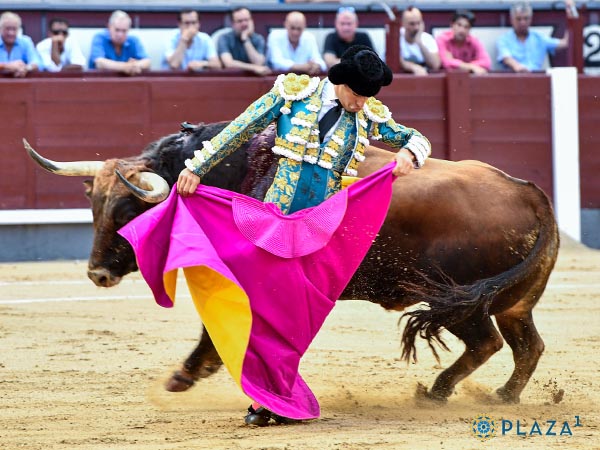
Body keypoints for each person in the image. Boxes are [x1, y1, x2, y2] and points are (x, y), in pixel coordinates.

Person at [174, 45, 431, 426]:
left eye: (368, 97)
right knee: (264, 310)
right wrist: (197, 166)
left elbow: (415, 137)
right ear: (339, 82)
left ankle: (272, 395)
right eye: (357, 95)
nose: (361, 103)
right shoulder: (294, 93)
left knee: (296, 319)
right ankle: (266, 398)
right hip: (273, 223)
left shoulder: (368, 116)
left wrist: (411, 152)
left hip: (317, 231)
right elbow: (242, 127)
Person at [496, 1, 574, 72]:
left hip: (537, 79)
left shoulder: (539, 38)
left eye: (526, 18)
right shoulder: (504, 40)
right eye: (518, 19)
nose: (523, 22)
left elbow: (565, 42)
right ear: (512, 20)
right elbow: (506, 58)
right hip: (514, 80)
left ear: (531, 19)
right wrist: (518, 67)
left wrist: (571, 12)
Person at [89, 10, 150, 75]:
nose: (120, 35)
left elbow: (147, 62)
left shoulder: (133, 40)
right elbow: (99, 63)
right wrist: (125, 67)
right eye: (117, 30)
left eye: (124, 31)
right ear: (109, 27)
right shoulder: (99, 37)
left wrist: (135, 66)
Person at [267, 11, 326, 75]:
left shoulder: (309, 38)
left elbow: (320, 62)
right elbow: (276, 63)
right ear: (285, 25)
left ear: (304, 27)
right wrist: (301, 67)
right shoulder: (275, 36)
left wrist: (317, 66)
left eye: (299, 29)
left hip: (304, 81)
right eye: (292, 28)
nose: (295, 32)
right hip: (279, 81)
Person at [217, 7, 270, 76]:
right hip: (231, 79)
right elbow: (228, 63)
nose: (244, 24)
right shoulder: (224, 38)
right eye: (240, 21)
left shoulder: (258, 39)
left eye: (247, 20)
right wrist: (253, 68)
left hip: (254, 81)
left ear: (252, 21)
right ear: (233, 24)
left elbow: (258, 63)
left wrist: (245, 40)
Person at [436, 10, 491, 75]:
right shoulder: (442, 40)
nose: (462, 30)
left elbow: (487, 63)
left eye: (466, 27)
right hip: (446, 79)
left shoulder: (474, 41)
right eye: (459, 25)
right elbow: (445, 63)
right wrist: (471, 67)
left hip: (469, 80)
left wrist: (458, 64)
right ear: (452, 25)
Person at [399, 6, 440, 75]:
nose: (416, 27)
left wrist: (419, 42)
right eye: (412, 24)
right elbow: (394, 61)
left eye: (418, 23)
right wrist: (413, 67)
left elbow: (435, 65)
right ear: (403, 24)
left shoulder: (428, 39)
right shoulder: (396, 37)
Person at [0, 11, 41, 77]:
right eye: (7, 29)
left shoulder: (25, 41)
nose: (11, 33)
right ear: (0, 29)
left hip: (21, 83)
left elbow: (37, 63)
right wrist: (6, 66)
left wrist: (26, 68)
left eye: (14, 29)